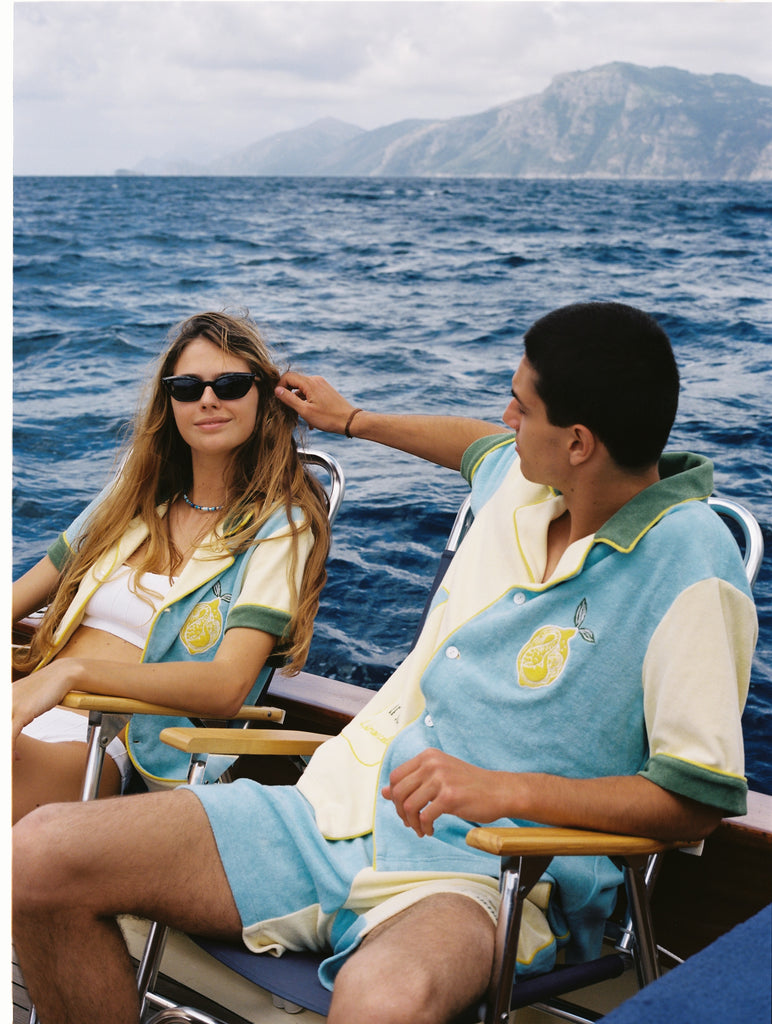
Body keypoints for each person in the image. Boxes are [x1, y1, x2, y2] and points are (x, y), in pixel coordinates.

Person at [13, 302, 757, 1024]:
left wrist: (507, 788)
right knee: (35, 858)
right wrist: (353, 422)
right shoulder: (523, 481)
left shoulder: (691, 563)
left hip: (482, 874)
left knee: (384, 1001)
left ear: (580, 442)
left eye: (520, 407)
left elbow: (697, 797)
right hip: (325, 815)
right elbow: (471, 445)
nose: (504, 420)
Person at [11, 310, 331, 822]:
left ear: (262, 398)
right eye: (187, 387)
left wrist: (71, 673)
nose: (208, 399)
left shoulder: (280, 528)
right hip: (23, 701)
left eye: (230, 384)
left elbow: (226, 687)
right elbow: (18, 599)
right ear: (170, 402)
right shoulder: (127, 500)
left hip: (98, 740)